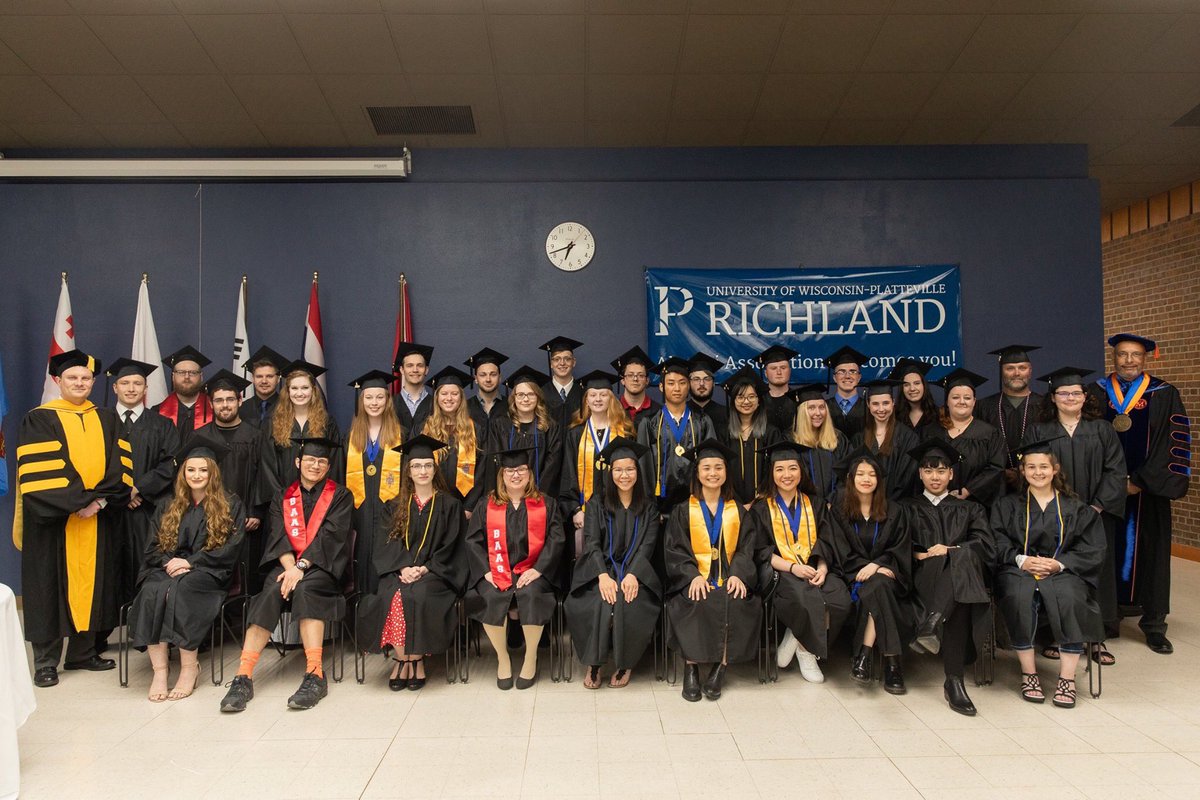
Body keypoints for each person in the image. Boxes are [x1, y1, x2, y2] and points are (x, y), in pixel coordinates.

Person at [15, 350, 132, 688]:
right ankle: (46, 662)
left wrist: (97, 503)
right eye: (72, 378)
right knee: (48, 587)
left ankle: (83, 653)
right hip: (54, 522)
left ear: (94, 382)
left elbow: (119, 466)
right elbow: (42, 471)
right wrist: (77, 502)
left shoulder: (108, 418)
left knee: (96, 585)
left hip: (97, 517)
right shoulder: (39, 418)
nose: (80, 383)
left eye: (85, 378)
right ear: (57, 381)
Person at [220, 436, 353, 712]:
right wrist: (291, 567)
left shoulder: (340, 495)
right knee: (269, 591)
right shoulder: (283, 495)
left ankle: (315, 673)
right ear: (298, 462)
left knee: (307, 589)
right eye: (310, 460)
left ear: (328, 466)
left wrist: (302, 568)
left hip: (322, 567)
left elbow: (331, 536)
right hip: (286, 566)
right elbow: (278, 536)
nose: (315, 465)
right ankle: (243, 676)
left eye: (322, 461)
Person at [127, 435, 245, 702]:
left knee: (183, 589)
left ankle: (189, 668)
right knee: (152, 589)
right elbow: (153, 547)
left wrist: (192, 562)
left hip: (209, 571)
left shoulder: (230, 504)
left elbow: (231, 548)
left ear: (213, 473)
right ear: (183, 472)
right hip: (167, 568)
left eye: (203, 470)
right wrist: (170, 563)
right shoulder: (168, 505)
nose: (197, 475)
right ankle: (160, 671)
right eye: (191, 469)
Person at [1094, 333, 1191, 654]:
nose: (1129, 361)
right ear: (1114, 357)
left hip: (1149, 492)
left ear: (1146, 358)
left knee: (1152, 554)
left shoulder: (1165, 394)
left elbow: (1172, 444)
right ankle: (1109, 617)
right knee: (1105, 551)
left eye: (1135, 355)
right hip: (1105, 493)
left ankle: (1153, 624)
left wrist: (1139, 480)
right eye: (1123, 355)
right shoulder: (1095, 393)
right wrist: (1108, 483)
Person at [991, 439, 1105, 709]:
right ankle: (1029, 674)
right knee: (1018, 596)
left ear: (1055, 469)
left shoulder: (1076, 508)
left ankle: (1067, 678)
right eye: (1031, 467)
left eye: (1043, 466)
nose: (1038, 472)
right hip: (1019, 570)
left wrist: (1059, 564)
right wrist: (1021, 559)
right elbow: (996, 540)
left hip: (1064, 571)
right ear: (1022, 471)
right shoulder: (1006, 505)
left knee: (1071, 596)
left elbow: (1092, 547)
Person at [1027, 367, 1126, 654]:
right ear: (1054, 398)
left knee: (1096, 571)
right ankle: (1055, 636)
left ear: (1085, 397)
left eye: (1076, 393)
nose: (1070, 397)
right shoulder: (1040, 431)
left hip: (1095, 514)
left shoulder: (1102, 429)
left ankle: (1096, 639)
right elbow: (1032, 472)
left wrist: (1095, 506)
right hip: (1053, 516)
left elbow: (1116, 471)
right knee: (1054, 571)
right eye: (1063, 393)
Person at [357, 435, 466, 691]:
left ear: (435, 468)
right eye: (417, 466)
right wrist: (403, 567)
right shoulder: (394, 506)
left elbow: (453, 546)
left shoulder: (449, 505)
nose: (423, 471)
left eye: (428, 465)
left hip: (436, 574)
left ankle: (414, 660)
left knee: (418, 595)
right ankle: (401, 658)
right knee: (393, 595)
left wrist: (426, 568)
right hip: (399, 571)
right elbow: (385, 543)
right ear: (408, 470)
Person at [900, 439, 994, 716]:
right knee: (960, 575)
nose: (935, 477)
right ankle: (953, 680)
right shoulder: (906, 507)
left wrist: (950, 550)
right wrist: (920, 555)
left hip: (959, 584)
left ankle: (932, 627)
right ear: (920, 474)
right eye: (929, 471)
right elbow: (897, 545)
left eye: (941, 471)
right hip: (922, 576)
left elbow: (987, 547)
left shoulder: (970, 509)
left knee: (960, 563)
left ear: (951, 474)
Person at [664, 439, 761, 702]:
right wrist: (692, 576)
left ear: (726, 473)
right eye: (706, 468)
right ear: (697, 473)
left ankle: (721, 666)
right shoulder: (683, 511)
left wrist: (739, 574)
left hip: (729, 576)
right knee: (695, 600)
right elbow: (674, 550)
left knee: (737, 601)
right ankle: (692, 666)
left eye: (718, 467)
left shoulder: (738, 511)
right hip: (695, 577)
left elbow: (746, 548)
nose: (713, 473)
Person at [465, 447, 566, 690]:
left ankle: (530, 656)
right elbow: (473, 540)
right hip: (497, 571)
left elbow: (557, 539)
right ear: (501, 475)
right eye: (510, 470)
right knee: (490, 595)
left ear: (530, 474)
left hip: (533, 572)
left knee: (532, 595)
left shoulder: (546, 504)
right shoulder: (486, 504)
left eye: (521, 469)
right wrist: (486, 571)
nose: (516, 475)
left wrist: (539, 569)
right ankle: (503, 657)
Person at [565, 438, 661, 689]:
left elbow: (647, 546)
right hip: (599, 570)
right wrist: (602, 576)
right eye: (618, 469)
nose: (624, 475)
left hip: (636, 572)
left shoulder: (649, 507)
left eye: (630, 469)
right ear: (610, 472)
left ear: (638, 472)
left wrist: (632, 575)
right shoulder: (596, 503)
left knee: (628, 600)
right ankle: (594, 663)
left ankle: (624, 663)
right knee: (598, 599)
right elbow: (592, 543)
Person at [751, 441, 850, 684]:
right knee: (804, 597)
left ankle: (797, 640)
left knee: (840, 600)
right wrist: (793, 567)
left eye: (793, 468)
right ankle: (808, 655)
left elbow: (828, 540)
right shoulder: (762, 508)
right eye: (780, 469)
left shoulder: (816, 504)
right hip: (782, 571)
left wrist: (823, 568)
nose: (787, 475)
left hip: (814, 566)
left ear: (801, 471)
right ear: (772, 473)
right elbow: (760, 551)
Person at [825, 450, 912, 694]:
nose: (866, 479)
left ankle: (863, 656)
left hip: (887, 575)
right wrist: (869, 568)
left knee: (880, 584)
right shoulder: (840, 511)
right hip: (855, 577)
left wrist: (878, 565)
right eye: (861, 474)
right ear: (851, 478)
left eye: (872, 474)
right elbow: (838, 549)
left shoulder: (894, 511)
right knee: (878, 586)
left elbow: (900, 548)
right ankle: (892, 664)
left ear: (879, 480)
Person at [105, 358, 180, 638]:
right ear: (115, 387)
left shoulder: (161, 424)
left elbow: (171, 463)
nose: (131, 388)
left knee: (144, 566)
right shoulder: (101, 422)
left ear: (146, 387)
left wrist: (138, 489)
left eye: (137, 383)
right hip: (109, 510)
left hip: (147, 510)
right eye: (125, 383)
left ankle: (143, 632)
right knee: (107, 569)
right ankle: (100, 634)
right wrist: (121, 493)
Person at [196, 369, 265, 592]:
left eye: (229, 399)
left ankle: (241, 623)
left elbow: (264, 475)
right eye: (219, 400)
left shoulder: (255, 436)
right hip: (206, 519)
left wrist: (255, 511)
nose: (225, 405)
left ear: (240, 400)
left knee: (244, 575)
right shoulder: (201, 436)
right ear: (211, 403)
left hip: (245, 521)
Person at [558, 370, 632, 561]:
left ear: (611, 399)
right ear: (586, 400)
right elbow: (568, 474)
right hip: (585, 512)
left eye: (603, 394)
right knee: (586, 559)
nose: (598, 399)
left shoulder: (625, 432)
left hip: (619, 509)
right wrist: (574, 510)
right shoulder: (576, 434)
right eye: (593, 395)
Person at [345, 370, 405, 596]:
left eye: (380, 397)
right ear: (362, 401)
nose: (374, 402)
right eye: (369, 397)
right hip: (359, 512)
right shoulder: (350, 436)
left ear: (388, 400)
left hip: (389, 511)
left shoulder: (401, 435)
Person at [257, 359, 343, 509]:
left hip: (320, 502)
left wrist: (324, 497)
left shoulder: (327, 422)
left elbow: (334, 462)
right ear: (287, 391)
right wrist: (282, 497)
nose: (299, 393)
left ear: (313, 390)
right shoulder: (273, 422)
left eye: (305, 388)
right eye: (294, 388)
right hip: (283, 502)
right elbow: (267, 464)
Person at [637, 356, 717, 515]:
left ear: (689, 386)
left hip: (696, 504)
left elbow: (711, 461)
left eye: (682, 383)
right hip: (659, 505)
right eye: (671, 383)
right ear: (661, 386)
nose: (677, 389)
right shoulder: (649, 424)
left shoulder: (702, 422)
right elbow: (644, 469)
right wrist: (650, 508)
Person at [925, 368, 1006, 508]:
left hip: (976, 507)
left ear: (974, 401)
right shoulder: (932, 432)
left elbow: (996, 468)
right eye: (955, 397)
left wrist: (968, 490)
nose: (962, 402)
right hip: (936, 507)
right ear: (947, 402)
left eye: (967, 398)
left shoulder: (990, 434)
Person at [416, 366, 487, 519]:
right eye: (444, 393)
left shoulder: (475, 429)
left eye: (454, 394)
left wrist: (469, 507)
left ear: (461, 398)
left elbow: (482, 471)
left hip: (465, 509)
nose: (449, 398)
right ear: (437, 397)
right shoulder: (424, 429)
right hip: (430, 506)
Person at [486, 364, 563, 498]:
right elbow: (495, 462)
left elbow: (552, 464)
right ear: (513, 398)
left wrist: (537, 492)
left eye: (530, 394)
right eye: (520, 395)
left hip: (540, 496)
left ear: (538, 397)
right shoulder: (500, 425)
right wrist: (505, 492)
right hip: (507, 497)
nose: (525, 399)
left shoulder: (550, 427)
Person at [977, 345, 1043, 492]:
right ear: (1001, 371)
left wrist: (1023, 472)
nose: (1017, 373)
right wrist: (1000, 471)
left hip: (1036, 485)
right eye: (1010, 368)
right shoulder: (984, 406)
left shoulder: (1044, 406)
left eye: (1022, 368)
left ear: (1030, 371)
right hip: (994, 486)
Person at [718, 366, 783, 506]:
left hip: (765, 504)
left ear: (759, 400)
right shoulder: (724, 434)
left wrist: (758, 500)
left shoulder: (771, 433)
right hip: (730, 505)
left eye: (751, 396)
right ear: (733, 401)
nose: (746, 402)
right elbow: (720, 469)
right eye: (740, 397)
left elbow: (777, 469)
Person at [852, 380, 920, 501]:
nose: (881, 409)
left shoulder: (908, 437)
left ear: (893, 403)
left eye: (886, 403)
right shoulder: (859, 438)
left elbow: (907, 477)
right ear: (868, 404)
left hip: (898, 507)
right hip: (866, 505)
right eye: (875, 404)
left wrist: (887, 504)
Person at [790, 383, 849, 505]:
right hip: (804, 509)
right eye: (811, 408)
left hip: (836, 507)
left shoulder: (838, 439)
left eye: (822, 407)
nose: (818, 413)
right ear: (802, 411)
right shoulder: (790, 440)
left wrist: (832, 501)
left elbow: (847, 474)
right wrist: (815, 506)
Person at [155, 345, 213, 434]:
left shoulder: (215, 410)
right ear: (173, 377)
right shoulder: (157, 412)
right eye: (181, 372)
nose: (187, 377)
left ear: (201, 377)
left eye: (193, 373)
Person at [540, 335, 584, 433]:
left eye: (567, 359)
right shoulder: (541, 393)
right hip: (549, 447)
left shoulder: (584, 393)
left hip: (577, 446)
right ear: (551, 363)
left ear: (574, 362)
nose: (562, 363)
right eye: (557, 359)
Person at [238, 345, 288, 428]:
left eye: (269, 376)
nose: (264, 381)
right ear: (253, 379)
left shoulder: (288, 407)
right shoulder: (242, 409)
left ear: (278, 379)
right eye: (259, 376)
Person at [825, 345, 868, 440]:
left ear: (859, 377)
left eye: (852, 371)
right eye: (842, 371)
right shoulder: (824, 408)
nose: (847, 376)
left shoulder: (869, 409)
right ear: (834, 378)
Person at [393, 342, 435, 435]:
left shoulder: (436, 404)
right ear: (402, 370)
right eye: (410, 365)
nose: (415, 370)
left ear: (426, 370)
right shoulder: (389, 403)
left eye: (420, 365)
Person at [612, 346, 660, 423]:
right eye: (630, 375)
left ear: (647, 380)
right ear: (622, 380)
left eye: (640, 375)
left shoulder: (658, 412)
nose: (635, 379)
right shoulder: (612, 409)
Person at [757, 344, 798, 434]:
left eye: (783, 368)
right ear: (765, 373)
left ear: (789, 371)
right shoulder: (757, 401)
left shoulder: (799, 399)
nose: (779, 372)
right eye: (773, 368)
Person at [465, 347, 508, 431]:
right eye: (483, 375)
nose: (488, 379)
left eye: (493, 374)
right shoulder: (465, 407)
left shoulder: (511, 406)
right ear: (476, 379)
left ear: (500, 377)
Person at [889, 358, 938, 431]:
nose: (912, 388)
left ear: (924, 385)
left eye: (917, 383)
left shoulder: (937, 415)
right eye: (906, 385)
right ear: (902, 389)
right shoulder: (895, 416)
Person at [687, 351, 728, 431]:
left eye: (707, 379)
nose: (702, 383)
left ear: (713, 383)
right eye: (696, 379)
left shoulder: (726, 414)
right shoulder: (680, 413)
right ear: (689, 383)